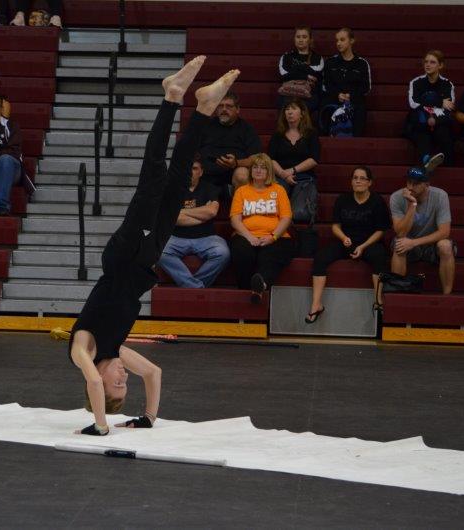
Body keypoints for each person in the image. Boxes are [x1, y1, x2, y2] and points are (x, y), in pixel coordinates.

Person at [69, 57, 239, 436]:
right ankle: (205, 107)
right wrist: (147, 417)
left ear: (97, 383)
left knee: (154, 173)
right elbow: (154, 372)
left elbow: (93, 381)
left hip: (122, 258)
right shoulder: (117, 350)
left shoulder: (83, 349)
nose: (123, 377)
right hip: (145, 262)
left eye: (117, 384)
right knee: (178, 180)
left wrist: (101, 425)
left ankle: (172, 96)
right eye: (125, 385)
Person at [306, 166, 390, 323]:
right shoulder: (342, 199)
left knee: (379, 256)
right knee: (321, 257)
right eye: (355, 178)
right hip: (346, 241)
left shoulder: (377, 201)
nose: (358, 181)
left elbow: (381, 230)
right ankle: (316, 305)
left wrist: (363, 246)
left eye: (362, 178)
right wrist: (343, 237)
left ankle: (378, 301)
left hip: (369, 243)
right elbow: (335, 226)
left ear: (370, 182)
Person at [229, 153, 295, 303]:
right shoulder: (242, 191)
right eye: (255, 167)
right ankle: (246, 291)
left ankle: (260, 287)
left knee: (270, 255)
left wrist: (273, 237)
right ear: (251, 170)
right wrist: (249, 237)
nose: (258, 170)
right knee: (242, 252)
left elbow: (286, 218)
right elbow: (235, 219)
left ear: (269, 171)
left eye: (263, 167)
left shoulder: (278, 190)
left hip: (276, 236)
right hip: (246, 235)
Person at [157, 156, 230, 288]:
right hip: (177, 237)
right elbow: (171, 218)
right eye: (188, 168)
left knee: (223, 253)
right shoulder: (173, 190)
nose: (190, 172)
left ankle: (190, 286)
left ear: (201, 172)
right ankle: (196, 287)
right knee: (158, 251)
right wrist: (202, 215)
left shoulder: (209, 188)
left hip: (206, 237)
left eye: (194, 168)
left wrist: (181, 211)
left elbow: (211, 212)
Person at [389, 160, 455, 295]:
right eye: (409, 182)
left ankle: (447, 296)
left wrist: (414, 242)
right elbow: (400, 232)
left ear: (427, 185)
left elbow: (444, 232)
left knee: (445, 245)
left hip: (431, 244)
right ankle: (398, 293)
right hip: (407, 242)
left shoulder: (440, 196)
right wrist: (412, 205)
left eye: (416, 183)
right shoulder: (396, 197)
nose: (410, 187)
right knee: (399, 243)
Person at [197, 91, 262, 195]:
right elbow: (190, 150)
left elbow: (256, 158)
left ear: (238, 109)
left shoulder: (246, 129)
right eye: (220, 106)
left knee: (242, 174)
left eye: (229, 106)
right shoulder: (205, 126)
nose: (224, 109)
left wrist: (236, 163)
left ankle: (237, 204)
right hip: (205, 174)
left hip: (233, 176)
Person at [405, 50, 456, 166]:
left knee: (444, 132)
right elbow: (413, 104)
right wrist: (439, 102)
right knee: (421, 130)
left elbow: (449, 107)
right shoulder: (416, 82)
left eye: (432, 62)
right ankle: (426, 161)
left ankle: (448, 166)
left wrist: (427, 104)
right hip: (420, 120)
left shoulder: (447, 84)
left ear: (440, 65)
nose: (428, 65)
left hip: (439, 120)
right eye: (426, 62)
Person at [321, 28, 371, 137]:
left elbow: (366, 87)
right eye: (337, 40)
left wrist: (350, 96)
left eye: (342, 40)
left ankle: (354, 140)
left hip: (354, 101)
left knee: (360, 108)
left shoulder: (362, 63)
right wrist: (337, 95)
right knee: (324, 104)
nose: (338, 43)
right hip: (334, 99)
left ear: (352, 41)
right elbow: (326, 85)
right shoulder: (330, 62)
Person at [267, 98, 320, 194]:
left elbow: (314, 159)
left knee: (301, 201)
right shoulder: (278, 134)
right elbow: (270, 159)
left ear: (302, 113)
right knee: (278, 194)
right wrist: (283, 174)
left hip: (304, 177)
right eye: (287, 109)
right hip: (280, 176)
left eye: (294, 108)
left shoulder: (311, 133)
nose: (289, 112)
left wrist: (292, 170)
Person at [278, 26, 324, 111]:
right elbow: (284, 76)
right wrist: (306, 75)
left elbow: (316, 76)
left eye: (304, 37)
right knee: (285, 104)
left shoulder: (317, 58)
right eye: (298, 37)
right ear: (294, 39)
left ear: (310, 40)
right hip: (288, 94)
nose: (301, 40)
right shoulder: (286, 57)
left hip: (309, 97)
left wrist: (295, 69)